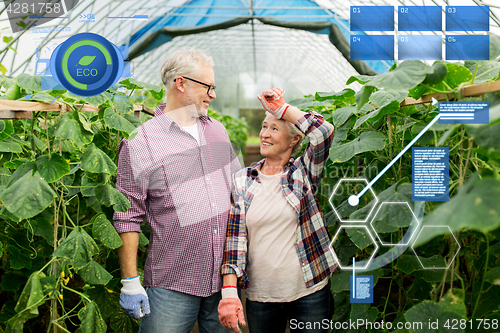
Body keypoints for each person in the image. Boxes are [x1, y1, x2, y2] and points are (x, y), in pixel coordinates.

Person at [113, 48, 240, 333]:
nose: (213, 95)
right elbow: (127, 216)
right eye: (208, 87)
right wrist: (130, 281)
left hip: (224, 283)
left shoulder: (217, 131)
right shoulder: (140, 142)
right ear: (181, 83)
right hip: (172, 282)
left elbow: (236, 195)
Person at [218, 87, 338, 333]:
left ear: (295, 139)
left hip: (309, 290)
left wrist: (282, 109)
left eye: (275, 128)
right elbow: (234, 241)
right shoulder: (242, 179)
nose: (265, 134)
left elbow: (323, 133)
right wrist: (230, 293)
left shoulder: (302, 173)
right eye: (264, 126)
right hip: (261, 296)